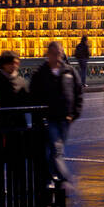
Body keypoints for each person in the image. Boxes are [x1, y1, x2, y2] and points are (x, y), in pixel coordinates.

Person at [28, 41, 83, 189]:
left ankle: (52, 179)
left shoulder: (69, 71)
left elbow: (78, 93)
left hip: (65, 119)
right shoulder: (41, 73)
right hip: (49, 118)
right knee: (56, 148)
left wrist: (74, 114)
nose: (58, 56)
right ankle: (66, 179)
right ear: (48, 54)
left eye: (60, 53)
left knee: (55, 150)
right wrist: (41, 115)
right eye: (55, 53)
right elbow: (33, 94)